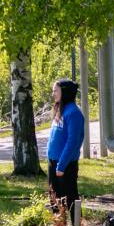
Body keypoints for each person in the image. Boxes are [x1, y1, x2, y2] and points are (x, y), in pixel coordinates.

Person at [45, 78, 84, 213]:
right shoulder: (61, 110)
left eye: (56, 91)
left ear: (65, 92)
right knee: (55, 198)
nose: (53, 94)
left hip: (65, 164)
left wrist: (61, 165)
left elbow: (73, 142)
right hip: (53, 161)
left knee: (70, 198)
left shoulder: (74, 113)